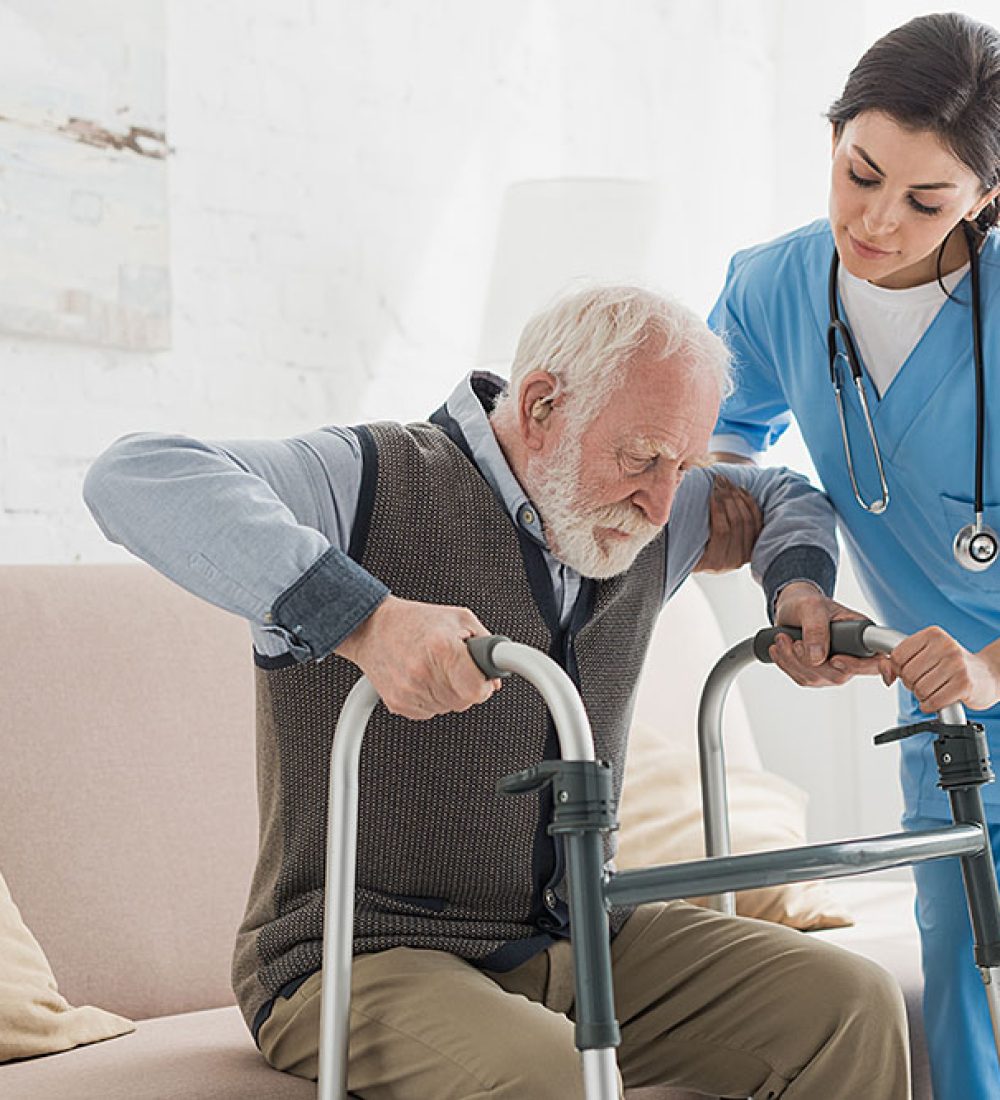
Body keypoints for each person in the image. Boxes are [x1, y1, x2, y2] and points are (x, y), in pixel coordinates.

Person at [84, 286, 908, 1099]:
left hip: (577, 933)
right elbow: (136, 474)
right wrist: (367, 621)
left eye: (683, 466)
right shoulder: (370, 481)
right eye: (641, 457)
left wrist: (797, 588)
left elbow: (777, 494)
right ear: (544, 405)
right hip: (356, 955)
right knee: (551, 1072)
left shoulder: (646, 516)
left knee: (849, 1006)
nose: (663, 501)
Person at [707, 12, 1000, 1100]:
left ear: (985, 198)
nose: (875, 220)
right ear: (832, 135)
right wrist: (794, 581)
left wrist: (989, 666)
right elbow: (716, 450)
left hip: (976, 679)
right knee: (964, 990)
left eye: (925, 201)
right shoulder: (773, 285)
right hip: (948, 717)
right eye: (858, 172)